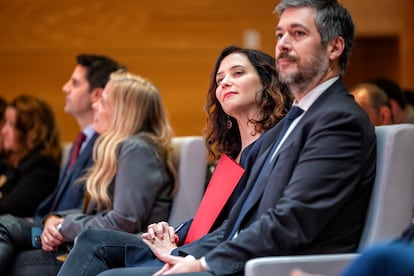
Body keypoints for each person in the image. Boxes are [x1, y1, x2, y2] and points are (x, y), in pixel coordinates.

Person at [59, 0, 376, 275]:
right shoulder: (292, 124)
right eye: (280, 34)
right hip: (239, 256)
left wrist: (202, 262)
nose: (282, 44)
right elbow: (235, 222)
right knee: (94, 247)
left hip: (277, 266)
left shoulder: (337, 120)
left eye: (298, 33)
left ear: (334, 47)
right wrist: (183, 254)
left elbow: (292, 221)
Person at [56, 45, 292, 276]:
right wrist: (172, 232)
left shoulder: (275, 147)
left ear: (267, 82)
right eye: (219, 80)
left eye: (237, 73)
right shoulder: (231, 154)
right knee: (91, 239)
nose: (225, 82)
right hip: (191, 246)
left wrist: (182, 252)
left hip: (219, 258)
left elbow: (243, 226)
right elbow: (208, 220)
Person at [4, 70, 177, 275]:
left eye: (103, 102)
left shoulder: (137, 150)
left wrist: (63, 227)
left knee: (14, 254)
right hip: (89, 246)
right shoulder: (120, 148)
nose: (94, 105)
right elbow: (96, 213)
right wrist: (56, 218)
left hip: (117, 254)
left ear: (123, 112)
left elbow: (122, 222)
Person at [0, 54, 123, 274]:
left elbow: (99, 208)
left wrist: (57, 222)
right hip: (50, 225)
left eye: (74, 83)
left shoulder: (108, 144)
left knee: (7, 229)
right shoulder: (82, 141)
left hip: (66, 232)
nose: (65, 88)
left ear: (96, 94)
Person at [0, 95, 61, 217]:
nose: (3, 131)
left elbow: (7, 209)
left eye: (11, 125)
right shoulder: (10, 163)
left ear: (31, 132)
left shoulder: (43, 166)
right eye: (4, 123)